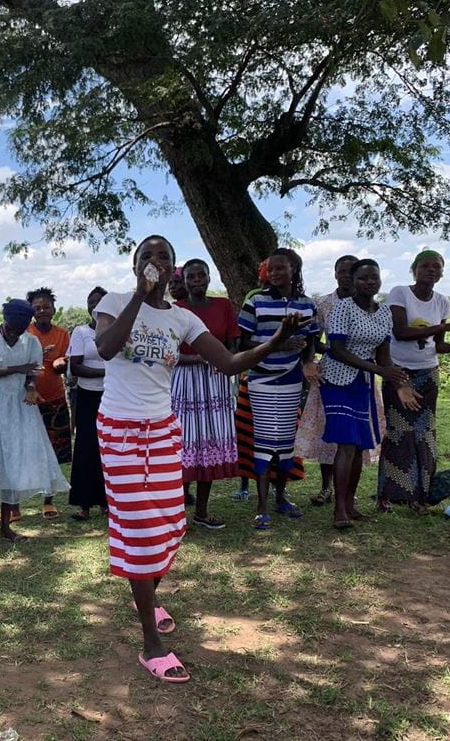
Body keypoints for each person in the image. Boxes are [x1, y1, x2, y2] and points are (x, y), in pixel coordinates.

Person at [93, 235, 299, 683]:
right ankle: (151, 644)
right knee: (141, 530)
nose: (154, 261)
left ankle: (146, 594)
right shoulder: (115, 301)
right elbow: (106, 347)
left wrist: (276, 341)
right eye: (146, 255)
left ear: (173, 269)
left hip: (164, 429)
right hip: (120, 430)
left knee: (171, 524)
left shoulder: (183, 318)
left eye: (163, 256)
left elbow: (228, 363)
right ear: (135, 265)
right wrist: (139, 297)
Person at [377, 250, 450, 512]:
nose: (431, 270)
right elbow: (401, 332)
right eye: (425, 266)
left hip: (428, 373)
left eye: (436, 266)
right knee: (398, 433)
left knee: (424, 434)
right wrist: (442, 328)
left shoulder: (441, 301)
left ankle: (419, 497)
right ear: (414, 269)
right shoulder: (400, 293)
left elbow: (437, 346)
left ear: (442, 272)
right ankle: (387, 495)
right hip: (399, 373)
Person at [317, 261, 417, 529]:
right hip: (336, 380)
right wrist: (378, 369)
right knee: (347, 443)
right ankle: (339, 510)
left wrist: (398, 380)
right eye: (363, 278)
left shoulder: (383, 312)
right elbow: (337, 350)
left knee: (359, 446)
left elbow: (384, 355)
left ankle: (350, 504)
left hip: (362, 382)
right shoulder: (342, 308)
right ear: (352, 281)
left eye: (374, 277)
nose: (370, 282)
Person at [0, 299, 70, 553]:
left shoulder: (31, 342)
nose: (16, 333)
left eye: (21, 329)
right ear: (5, 319)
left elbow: (31, 374)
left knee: (13, 462)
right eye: (12, 328)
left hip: (17, 407)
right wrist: (18, 368)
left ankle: (6, 528)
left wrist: (31, 388)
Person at [237, 248, 320, 531]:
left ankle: (281, 498)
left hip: (291, 380)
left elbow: (311, 341)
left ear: (294, 269)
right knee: (263, 440)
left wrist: (308, 362)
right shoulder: (256, 301)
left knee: (285, 442)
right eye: (270, 269)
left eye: (280, 268)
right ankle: (261, 507)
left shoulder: (307, 304)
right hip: (261, 379)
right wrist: (278, 345)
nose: (274, 273)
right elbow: (242, 342)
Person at [171, 259, 241, 530]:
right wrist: (199, 358)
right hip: (184, 383)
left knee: (208, 446)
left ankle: (201, 511)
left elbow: (233, 344)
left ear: (210, 278)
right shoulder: (176, 310)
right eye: (192, 276)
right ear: (184, 281)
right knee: (183, 444)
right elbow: (169, 353)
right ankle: (176, 515)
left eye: (202, 275)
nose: (197, 280)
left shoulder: (223, 306)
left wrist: (222, 359)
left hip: (215, 381)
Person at [294, 255, 357, 505]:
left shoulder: (365, 304)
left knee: (354, 435)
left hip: (360, 374)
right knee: (328, 431)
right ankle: (326, 488)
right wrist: (333, 350)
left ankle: (348, 493)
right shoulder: (324, 304)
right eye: (341, 271)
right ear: (335, 274)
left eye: (351, 271)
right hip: (329, 374)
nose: (346, 276)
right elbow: (313, 339)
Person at [26, 287, 71, 519]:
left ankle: (48, 500)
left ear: (53, 310)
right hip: (27, 400)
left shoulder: (62, 334)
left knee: (53, 452)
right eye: (37, 308)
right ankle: (14, 505)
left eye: (46, 307)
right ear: (31, 311)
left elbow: (66, 358)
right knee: (24, 449)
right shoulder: (24, 332)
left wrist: (61, 362)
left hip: (55, 400)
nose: (42, 311)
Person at [67, 286, 108, 520]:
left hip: (111, 396)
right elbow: (75, 367)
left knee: (108, 448)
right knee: (86, 447)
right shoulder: (81, 332)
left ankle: (106, 502)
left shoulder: (117, 332)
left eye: (100, 301)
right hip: (87, 396)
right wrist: (106, 373)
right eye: (91, 302)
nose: (95, 305)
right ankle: (84, 504)